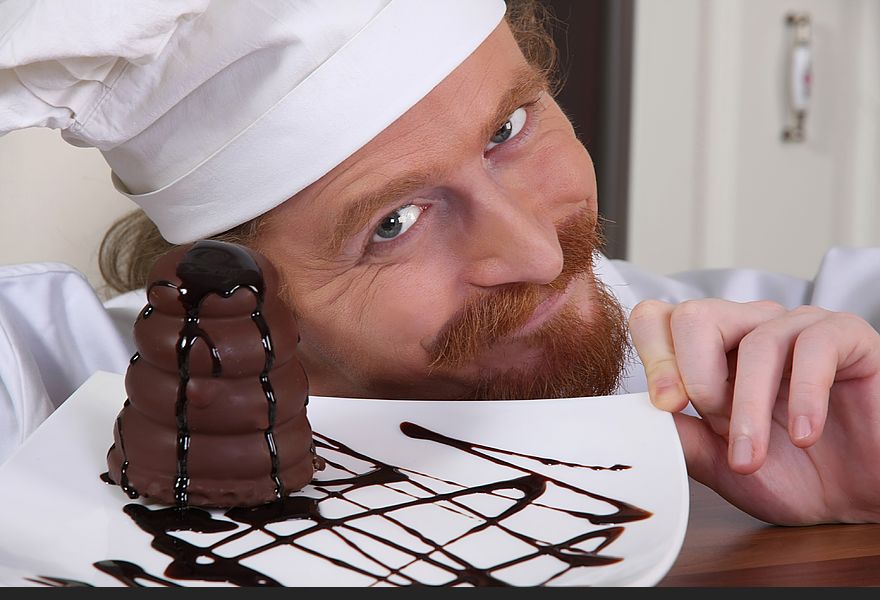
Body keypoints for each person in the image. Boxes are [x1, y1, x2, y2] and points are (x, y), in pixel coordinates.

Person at [1, 0, 878, 527]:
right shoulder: (46, 389)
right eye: (395, 221)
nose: (538, 254)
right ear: (234, 286)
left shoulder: (758, 371)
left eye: (509, 129)